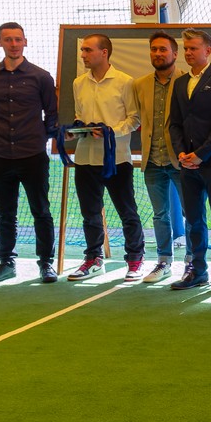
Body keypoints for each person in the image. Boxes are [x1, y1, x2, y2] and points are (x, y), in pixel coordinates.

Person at [0, 22, 59, 284]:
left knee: (41, 211)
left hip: (33, 156)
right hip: (0, 155)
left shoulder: (41, 77)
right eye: (8, 40)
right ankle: (6, 263)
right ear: (0, 43)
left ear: (25, 42)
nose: (13, 44)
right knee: (5, 214)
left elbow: (52, 114)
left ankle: (46, 263)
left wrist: (39, 137)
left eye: (17, 39)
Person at [67, 34, 146, 281]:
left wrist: (110, 132)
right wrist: (76, 129)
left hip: (116, 159)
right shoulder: (78, 83)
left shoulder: (125, 82)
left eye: (88, 50)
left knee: (127, 212)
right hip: (85, 158)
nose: (83, 55)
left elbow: (134, 119)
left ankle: (135, 260)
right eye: (82, 50)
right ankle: (93, 259)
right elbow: (79, 115)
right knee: (89, 214)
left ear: (104, 53)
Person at [168, 29, 211, 294]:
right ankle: (197, 271)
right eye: (185, 48)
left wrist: (201, 154)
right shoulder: (179, 83)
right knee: (193, 221)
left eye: (193, 48)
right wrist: (182, 154)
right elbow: (175, 123)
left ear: (208, 50)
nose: (188, 53)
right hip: (187, 165)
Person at [133, 31, 190, 285]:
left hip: (181, 160)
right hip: (152, 161)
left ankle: (192, 263)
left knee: (191, 213)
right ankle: (164, 261)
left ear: (175, 54)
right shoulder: (140, 84)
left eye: (163, 49)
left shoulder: (187, 81)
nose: (158, 53)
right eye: (154, 49)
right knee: (160, 215)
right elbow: (137, 119)